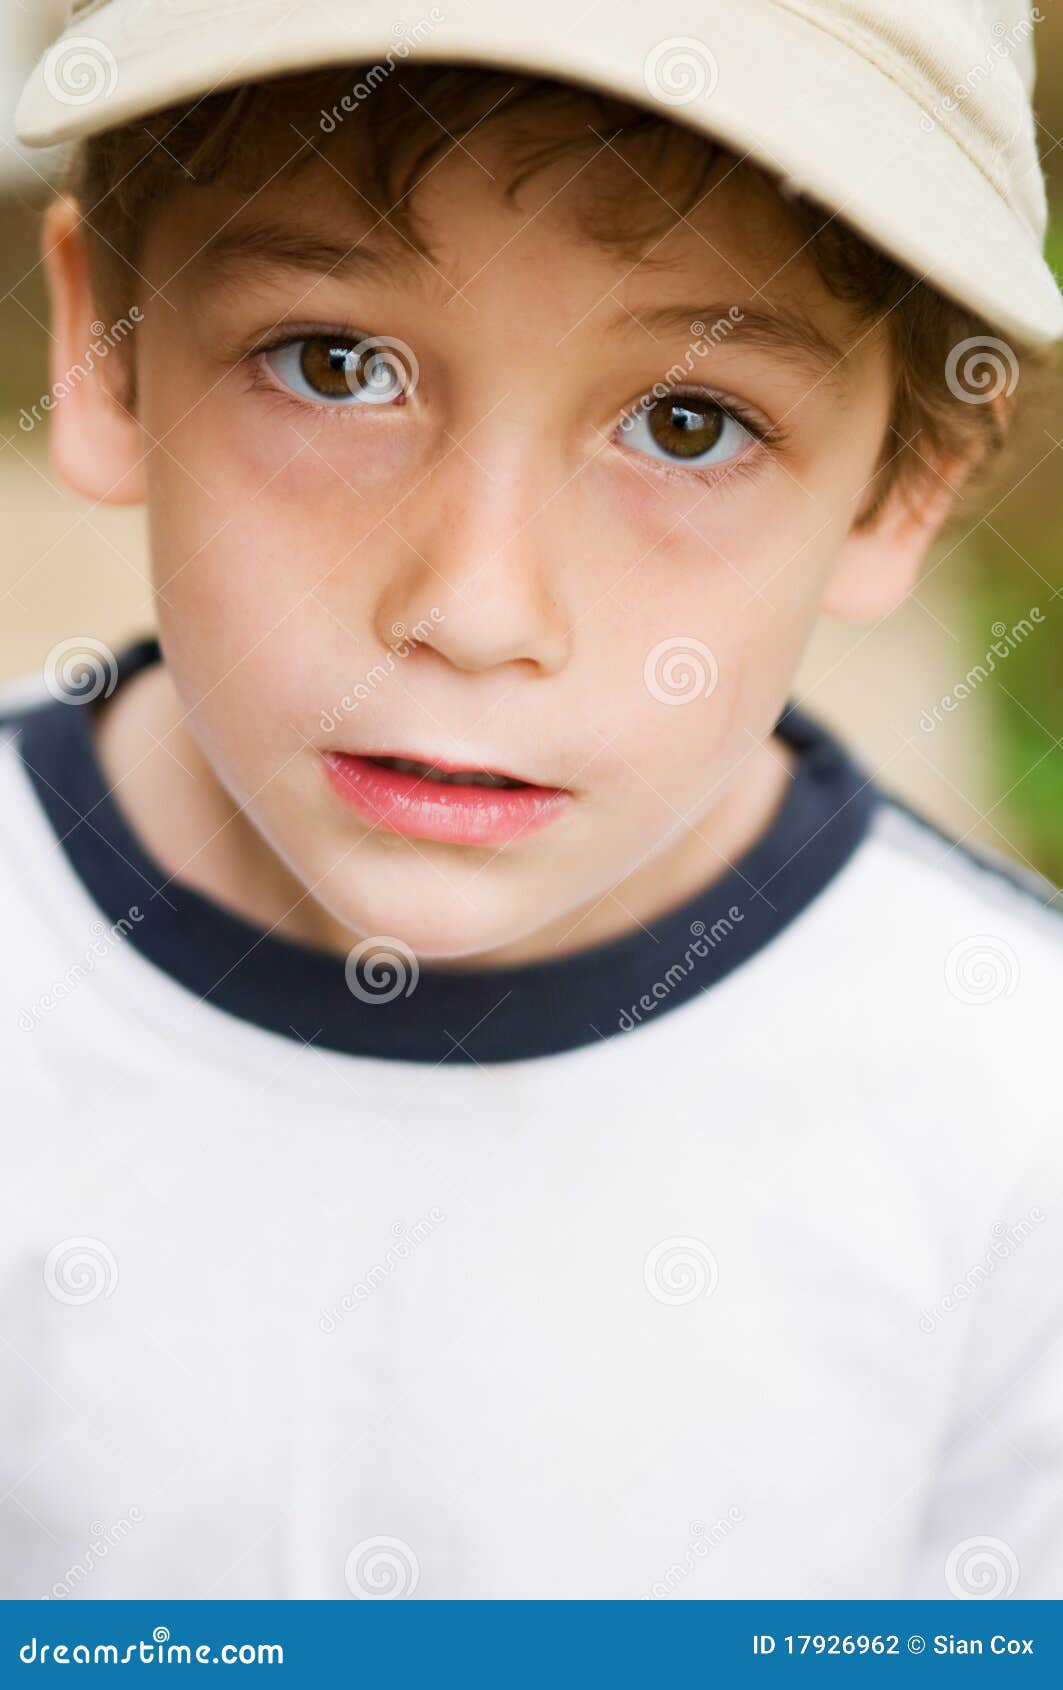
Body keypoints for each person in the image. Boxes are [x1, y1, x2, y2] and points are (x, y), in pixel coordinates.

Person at [2, 0, 1060, 1600]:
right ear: (106, 352)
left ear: (903, 485)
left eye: (688, 424)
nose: (478, 606)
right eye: (335, 364)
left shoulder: (1014, 1120)